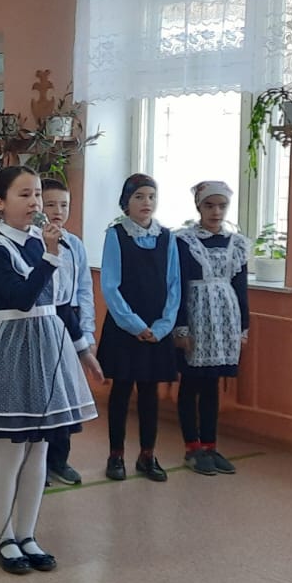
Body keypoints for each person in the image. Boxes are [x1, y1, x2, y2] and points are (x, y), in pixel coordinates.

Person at [0, 166, 101, 575]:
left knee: (39, 447)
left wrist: (83, 350)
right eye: (24, 195)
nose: (35, 203)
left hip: (50, 344)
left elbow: (61, 305)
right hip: (15, 345)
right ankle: (4, 536)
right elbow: (21, 298)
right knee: (11, 449)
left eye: (38, 194)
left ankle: (27, 534)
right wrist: (49, 256)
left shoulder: (40, 244)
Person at [97, 174, 182, 483]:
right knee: (121, 391)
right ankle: (116, 455)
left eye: (151, 197)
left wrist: (162, 326)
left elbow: (174, 285)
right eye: (139, 197)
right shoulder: (116, 235)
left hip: (157, 328)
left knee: (149, 393)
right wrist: (134, 325)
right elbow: (110, 285)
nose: (147, 202)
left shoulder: (167, 237)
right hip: (125, 327)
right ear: (126, 202)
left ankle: (148, 455)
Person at [174, 181, 250, 476]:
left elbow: (240, 288)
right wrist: (181, 327)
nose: (216, 212)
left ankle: (209, 445)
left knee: (211, 385)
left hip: (224, 320)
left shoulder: (236, 244)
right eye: (209, 205)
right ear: (199, 206)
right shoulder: (184, 241)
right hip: (196, 318)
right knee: (191, 383)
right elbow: (178, 286)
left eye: (222, 206)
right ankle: (191, 447)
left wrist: (243, 327)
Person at [40, 178, 96, 487]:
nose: (58, 211)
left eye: (64, 205)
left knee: (67, 394)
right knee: (45, 394)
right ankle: (38, 464)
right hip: (43, 319)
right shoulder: (34, 241)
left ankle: (59, 459)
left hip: (70, 321)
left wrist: (88, 333)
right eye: (50, 204)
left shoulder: (75, 245)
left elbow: (84, 290)